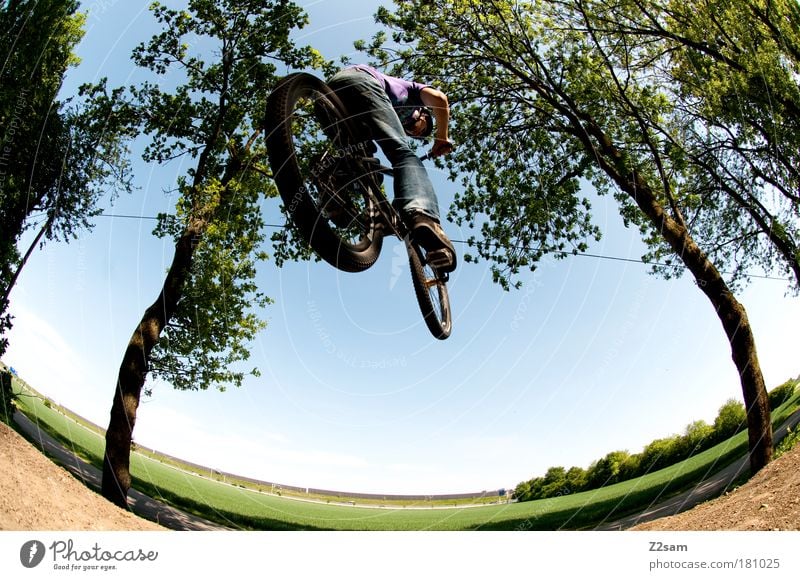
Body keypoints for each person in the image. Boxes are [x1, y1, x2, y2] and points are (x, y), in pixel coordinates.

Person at [326, 64, 457, 273]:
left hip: (331, 97)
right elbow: (440, 99)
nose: (414, 132)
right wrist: (441, 136)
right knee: (403, 154)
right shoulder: (414, 92)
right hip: (360, 83)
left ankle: (333, 185)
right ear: (423, 113)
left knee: (364, 166)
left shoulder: (394, 112)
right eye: (419, 127)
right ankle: (422, 216)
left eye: (416, 134)